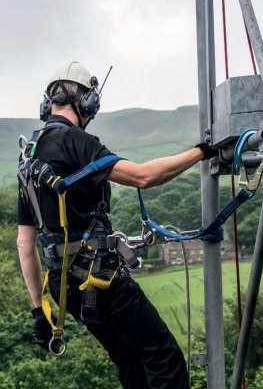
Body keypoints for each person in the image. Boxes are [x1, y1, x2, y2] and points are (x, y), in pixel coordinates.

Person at [17, 61, 217, 389]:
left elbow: (25, 245)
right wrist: (201, 152)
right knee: (164, 360)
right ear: (87, 102)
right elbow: (143, 176)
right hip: (101, 278)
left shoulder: (30, 159)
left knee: (130, 363)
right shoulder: (76, 141)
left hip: (65, 286)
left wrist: (39, 311)